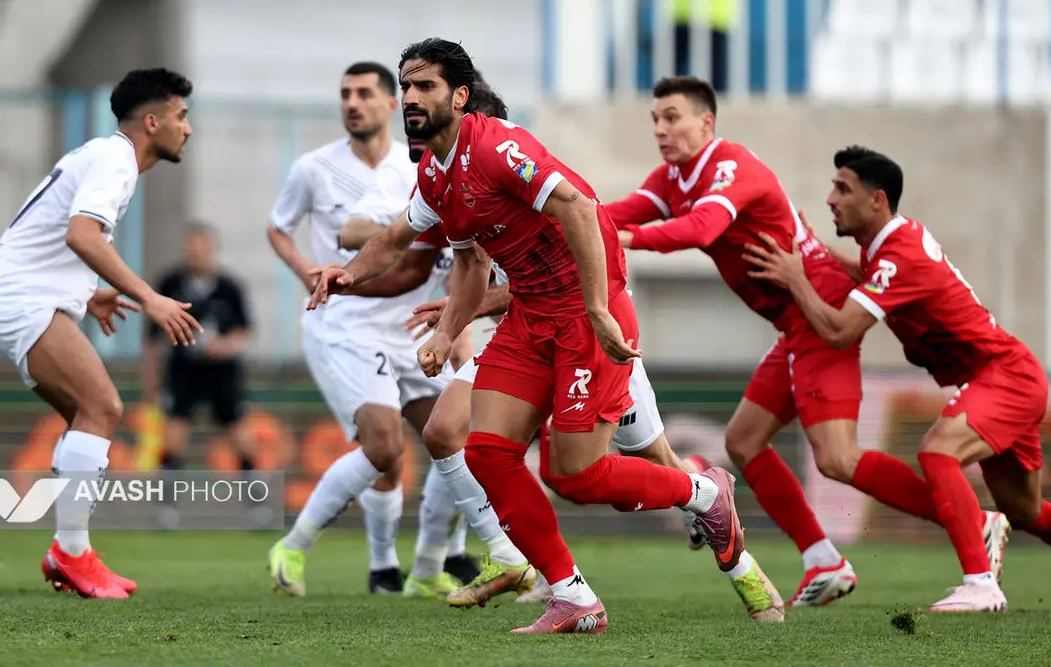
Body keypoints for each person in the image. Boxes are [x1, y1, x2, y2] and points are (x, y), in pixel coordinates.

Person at [309, 38, 740, 635]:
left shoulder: (496, 147)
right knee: (485, 451)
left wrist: (597, 308)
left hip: (587, 313)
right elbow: (425, 250)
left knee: (578, 476)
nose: (410, 97)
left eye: (424, 86)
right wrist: (350, 277)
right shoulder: (433, 172)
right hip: (531, 316)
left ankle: (702, 495)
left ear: (459, 96)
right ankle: (573, 596)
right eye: (405, 86)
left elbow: (581, 211)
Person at [604, 77, 1009, 606]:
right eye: (655, 118)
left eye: (672, 117)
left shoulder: (733, 169)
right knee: (744, 440)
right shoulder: (673, 178)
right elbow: (619, 211)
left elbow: (702, 230)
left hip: (818, 312)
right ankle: (824, 560)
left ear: (706, 122)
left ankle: (971, 521)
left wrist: (618, 239)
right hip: (795, 324)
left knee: (837, 458)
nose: (660, 128)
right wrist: (566, 220)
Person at [744, 145, 1051, 614]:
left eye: (842, 188)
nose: (831, 198)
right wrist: (810, 252)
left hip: (1003, 377)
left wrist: (795, 278)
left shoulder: (897, 256)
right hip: (1009, 376)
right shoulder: (887, 246)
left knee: (937, 450)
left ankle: (981, 584)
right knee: (1027, 511)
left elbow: (840, 330)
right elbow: (865, 276)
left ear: (877, 200)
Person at [408, 270, 785, 623]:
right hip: (521, 338)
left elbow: (557, 279)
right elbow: (438, 253)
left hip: (588, 334)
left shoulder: (548, 203)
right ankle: (516, 558)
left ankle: (740, 562)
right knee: (446, 430)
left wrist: (464, 309)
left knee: (632, 465)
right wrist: (356, 273)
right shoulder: (449, 202)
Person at [0, 68, 202, 599]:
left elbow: (52, 231)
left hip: (20, 295)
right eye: (181, 116)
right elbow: (81, 233)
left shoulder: (102, 155)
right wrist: (150, 296)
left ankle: (70, 549)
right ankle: (70, 553)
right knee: (104, 407)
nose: (187, 129)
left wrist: (88, 292)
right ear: (152, 121)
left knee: (89, 415)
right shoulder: (116, 159)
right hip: (20, 300)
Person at [266, 61, 465, 597]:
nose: (352, 103)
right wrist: (309, 271)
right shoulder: (315, 168)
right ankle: (310, 549)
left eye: (364, 94)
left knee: (454, 436)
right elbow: (286, 229)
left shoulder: (422, 161)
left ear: (390, 104)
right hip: (347, 322)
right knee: (384, 446)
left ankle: (426, 565)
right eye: (345, 94)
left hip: (409, 326)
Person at [141, 222, 262, 528]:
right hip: (183, 373)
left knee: (243, 440)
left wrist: (226, 346)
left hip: (223, 374)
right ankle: (165, 509)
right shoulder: (170, 284)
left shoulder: (229, 288)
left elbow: (244, 332)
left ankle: (256, 508)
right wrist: (151, 379)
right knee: (173, 440)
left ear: (212, 249)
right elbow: (152, 339)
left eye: (202, 246)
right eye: (190, 246)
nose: (195, 253)